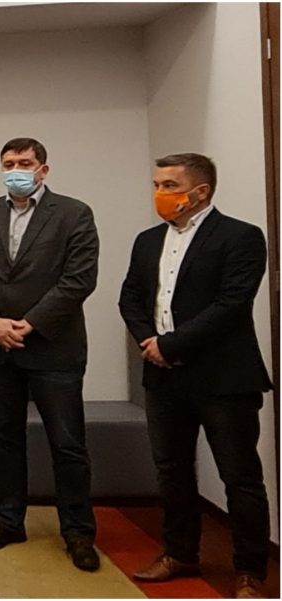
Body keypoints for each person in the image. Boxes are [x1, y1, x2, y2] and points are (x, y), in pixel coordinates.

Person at [118, 153, 271, 599]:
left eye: (170, 185)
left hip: (224, 379)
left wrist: (171, 345)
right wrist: (149, 341)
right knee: (172, 472)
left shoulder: (240, 236)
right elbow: (130, 298)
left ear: (200, 191)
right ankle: (179, 552)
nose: (160, 193)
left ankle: (250, 571)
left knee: (239, 477)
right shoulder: (148, 240)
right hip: (163, 379)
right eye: (156, 184)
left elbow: (231, 305)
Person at [0, 138, 100, 571]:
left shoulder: (74, 213)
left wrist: (31, 322)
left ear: (43, 169)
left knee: (67, 444)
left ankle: (77, 531)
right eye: (8, 163)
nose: (15, 170)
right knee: (4, 440)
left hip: (54, 347)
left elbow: (80, 278)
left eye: (24, 163)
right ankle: (8, 521)